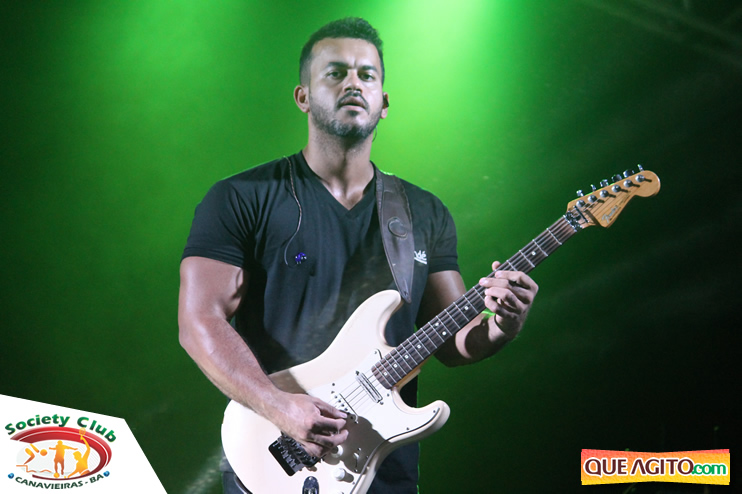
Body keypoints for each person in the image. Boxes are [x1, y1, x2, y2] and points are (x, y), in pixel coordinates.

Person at [178, 17, 538, 494]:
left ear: (383, 103)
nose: (353, 83)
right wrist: (279, 406)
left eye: (367, 75)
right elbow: (198, 321)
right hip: (271, 459)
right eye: (336, 72)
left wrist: (502, 325)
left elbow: (454, 342)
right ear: (303, 96)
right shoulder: (242, 197)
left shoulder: (424, 212)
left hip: (383, 468)